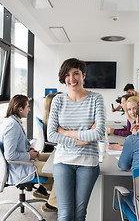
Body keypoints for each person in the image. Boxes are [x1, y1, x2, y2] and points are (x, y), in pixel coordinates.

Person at [47, 58, 106, 221]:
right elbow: (51, 135)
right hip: (63, 161)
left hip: (88, 162)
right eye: (67, 75)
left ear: (84, 75)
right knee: (65, 214)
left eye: (76, 74)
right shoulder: (58, 100)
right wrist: (82, 139)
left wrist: (66, 133)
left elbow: (99, 133)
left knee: (80, 214)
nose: (71, 79)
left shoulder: (96, 99)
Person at [0, 94, 57, 212]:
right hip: (21, 166)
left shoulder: (15, 121)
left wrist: (30, 149)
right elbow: (10, 155)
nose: (29, 109)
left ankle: (46, 192)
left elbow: (22, 143)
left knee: (55, 157)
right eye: (27, 107)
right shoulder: (12, 126)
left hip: (25, 159)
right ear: (20, 109)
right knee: (59, 169)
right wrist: (29, 155)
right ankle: (53, 204)